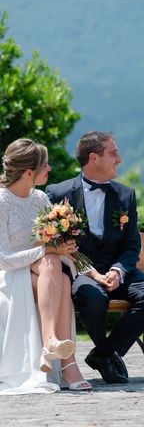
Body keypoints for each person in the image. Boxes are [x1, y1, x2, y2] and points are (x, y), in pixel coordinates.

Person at [46, 131, 144, 384]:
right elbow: (53, 242)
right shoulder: (57, 194)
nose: (119, 159)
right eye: (113, 153)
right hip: (82, 273)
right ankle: (106, 354)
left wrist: (118, 271)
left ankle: (104, 353)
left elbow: (132, 244)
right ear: (94, 158)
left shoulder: (126, 195)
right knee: (92, 298)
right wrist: (89, 271)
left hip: (118, 273)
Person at [0, 139, 91, 395]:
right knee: (55, 270)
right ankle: (67, 364)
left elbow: (52, 247)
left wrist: (62, 249)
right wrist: (49, 250)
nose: (49, 169)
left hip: (37, 271)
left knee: (58, 274)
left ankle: (52, 343)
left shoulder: (40, 198)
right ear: (29, 172)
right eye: (45, 165)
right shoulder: (1, 201)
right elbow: (3, 258)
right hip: (7, 273)